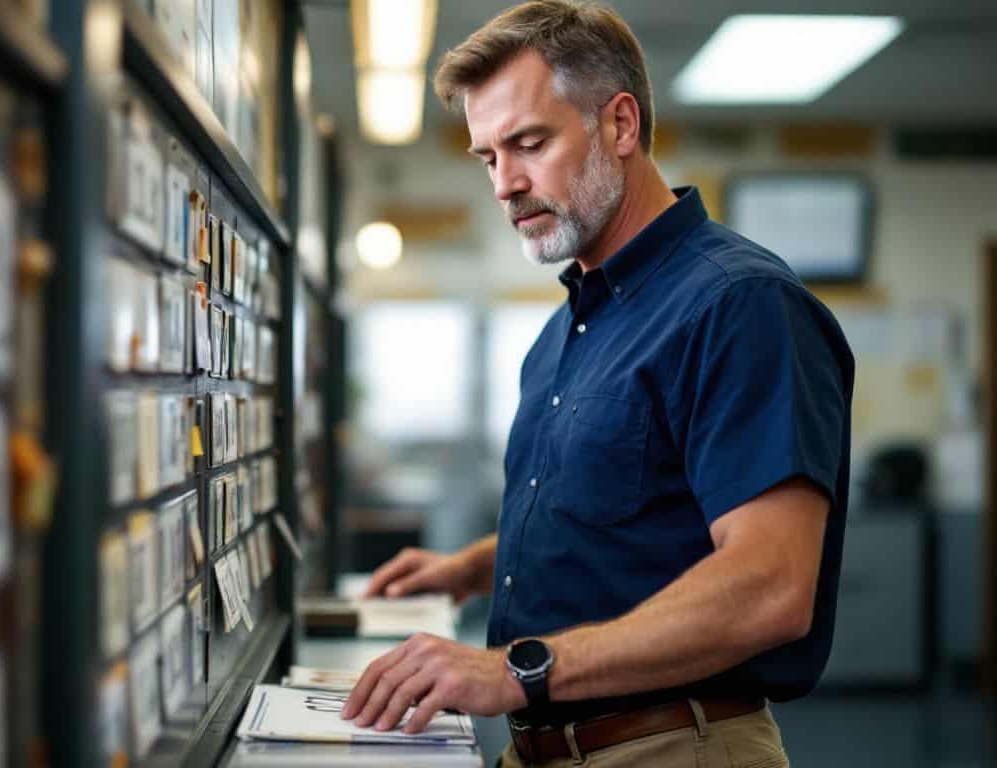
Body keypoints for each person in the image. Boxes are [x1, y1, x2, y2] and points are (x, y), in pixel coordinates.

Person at [338, 2, 855, 766]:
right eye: (487, 157)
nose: (506, 185)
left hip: (671, 744)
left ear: (619, 125)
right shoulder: (565, 331)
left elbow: (770, 585)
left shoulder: (739, 305)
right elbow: (608, 509)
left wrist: (518, 668)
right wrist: (468, 568)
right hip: (543, 745)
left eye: (530, 143)